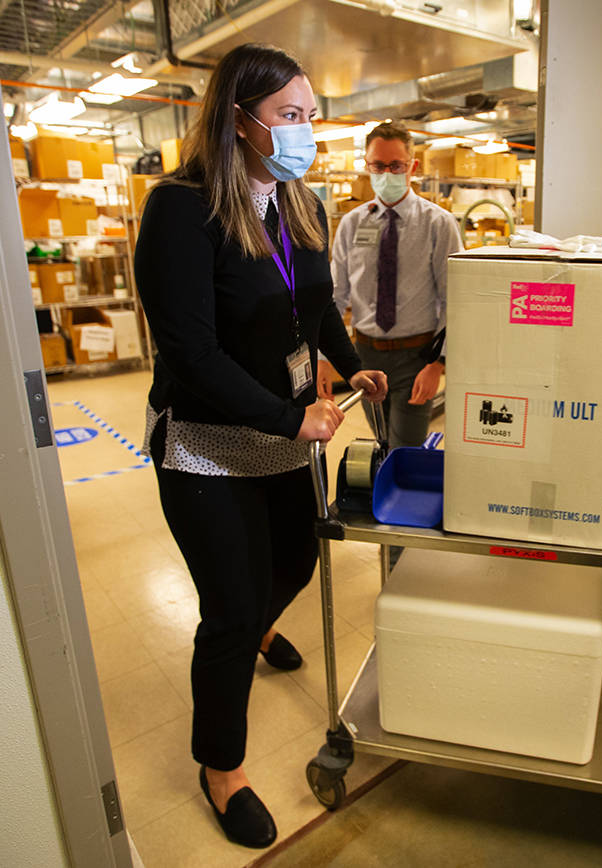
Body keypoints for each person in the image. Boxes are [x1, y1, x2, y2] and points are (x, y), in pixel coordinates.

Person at [134, 43, 387, 848]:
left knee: (296, 561)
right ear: (238, 120)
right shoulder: (182, 210)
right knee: (231, 609)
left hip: (282, 430)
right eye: (288, 116)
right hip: (207, 441)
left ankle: (260, 629)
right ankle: (222, 767)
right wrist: (291, 420)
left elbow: (314, 307)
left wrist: (352, 366)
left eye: (310, 116)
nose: (304, 131)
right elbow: (191, 355)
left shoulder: (296, 201)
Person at [325, 121, 463, 448]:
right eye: (378, 165)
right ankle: (384, 496)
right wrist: (323, 357)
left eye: (396, 165)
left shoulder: (438, 224)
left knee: (405, 450)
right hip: (363, 355)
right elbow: (334, 295)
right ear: (367, 166)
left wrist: (438, 364)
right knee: (382, 444)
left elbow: (455, 300)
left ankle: (399, 496)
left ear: (412, 167)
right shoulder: (351, 224)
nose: (386, 173)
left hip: (416, 358)